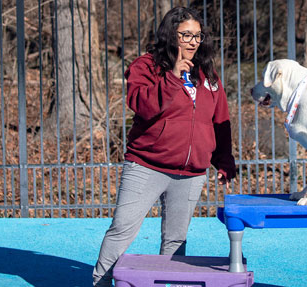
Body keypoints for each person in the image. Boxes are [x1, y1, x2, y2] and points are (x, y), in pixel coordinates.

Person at [92, 7, 236, 287]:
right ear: (171, 35)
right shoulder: (145, 66)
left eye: (198, 35)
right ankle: (101, 281)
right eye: (186, 35)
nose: (194, 41)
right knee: (122, 230)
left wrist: (224, 160)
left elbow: (220, 120)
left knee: (176, 239)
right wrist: (171, 77)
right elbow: (142, 106)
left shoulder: (208, 72)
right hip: (147, 166)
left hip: (191, 173)